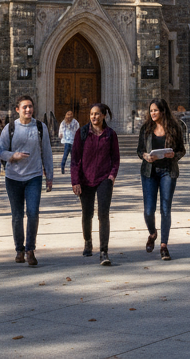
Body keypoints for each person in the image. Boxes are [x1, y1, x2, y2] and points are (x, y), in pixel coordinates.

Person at [0, 95, 54, 267]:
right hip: (13, 177)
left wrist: (49, 176)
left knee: (33, 213)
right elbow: (0, 151)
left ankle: (30, 249)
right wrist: (12, 156)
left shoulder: (40, 127)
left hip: (34, 177)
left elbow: (47, 152)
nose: (28, 110)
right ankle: (19, 250)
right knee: (17, 216)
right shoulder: (10, 128)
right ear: (17, 110)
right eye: (24, 107)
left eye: (30, 107)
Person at [71, 103, 121, 265]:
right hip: (85, 179)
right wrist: (75, 181)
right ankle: (88, 241)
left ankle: (104, 251)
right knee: (87, 213)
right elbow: (75, 159)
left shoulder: (110, 135)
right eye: (92, 114)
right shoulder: (82, 133)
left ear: (104, 115)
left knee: (103, 214)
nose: (94, 117)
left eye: (97, 114)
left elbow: (116, 158)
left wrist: (112, 176)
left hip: (104, 179)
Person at [137, 97, 186, 260]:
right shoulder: (146, 128)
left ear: (163, 111)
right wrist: (145, 156)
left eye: (155, 110)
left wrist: (174, 155)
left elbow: (181, 150)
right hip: (149, 172)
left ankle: (164, 245)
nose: (152, 113)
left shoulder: (174, 128)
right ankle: (152, 233)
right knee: (149, 210)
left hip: (168, 171)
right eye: (151, 111)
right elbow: (139, 151)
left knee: (165, 208)